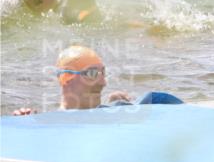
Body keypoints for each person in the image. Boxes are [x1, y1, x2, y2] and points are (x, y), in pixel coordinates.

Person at [11, 46, 183, 115]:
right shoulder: (49, 123)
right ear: (66, 79)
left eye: (103, 73)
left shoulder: (119, 109)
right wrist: (26, 128)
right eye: (93, 74)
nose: (103, 83)